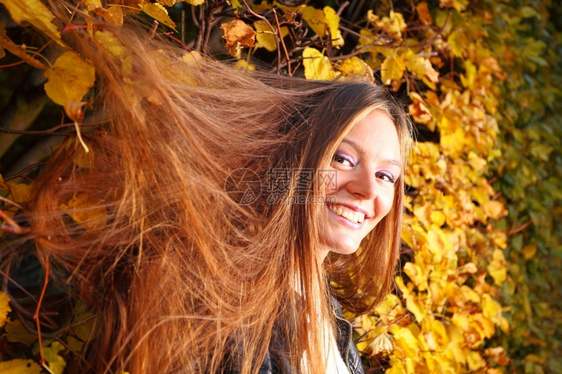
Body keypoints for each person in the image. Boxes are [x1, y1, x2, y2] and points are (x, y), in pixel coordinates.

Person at [3, 2, 412, 373]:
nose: (367, 190)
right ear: (294, 162)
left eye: (386, 176)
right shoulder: (225, 312)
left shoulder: (332, 316)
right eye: (343, 159)